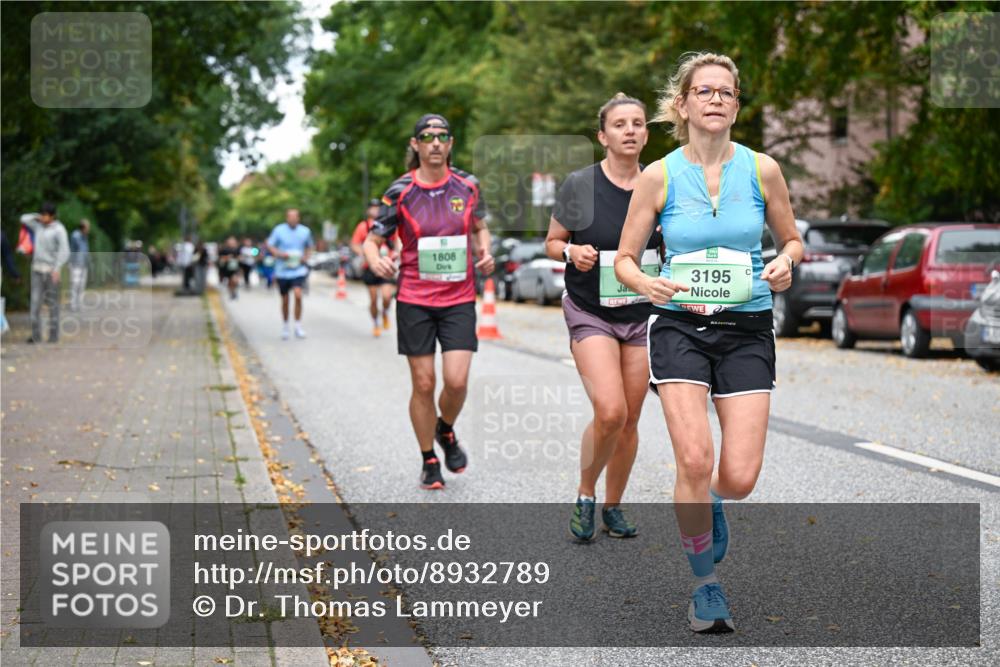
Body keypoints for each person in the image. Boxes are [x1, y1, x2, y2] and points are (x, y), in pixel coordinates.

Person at [615, 53, 802, 633]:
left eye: (726, 92)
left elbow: (792, 240)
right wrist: (646, 283)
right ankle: (705, 586)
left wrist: (786, 263)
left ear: (737, 106)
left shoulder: (763, 169)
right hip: (679, 325)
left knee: (738, 477)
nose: (716, 99)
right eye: (705, 91)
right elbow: (625, 260)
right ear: (683, 104)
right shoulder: (659, 176)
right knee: (694, 459)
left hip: (747, 326)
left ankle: (713, 498)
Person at [545, 93, 662, 541]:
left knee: (630, 418)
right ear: (603, 136)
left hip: (641, 315)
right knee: (610, 411)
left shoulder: (661, 184)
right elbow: (553, 242)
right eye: (619, 124)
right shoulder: (581, 185)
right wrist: (571, 252)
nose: (630, 130)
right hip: (591, 311)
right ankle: (586, 493)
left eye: (637, 123)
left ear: (646, 134)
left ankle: (613, 506)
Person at [364, 114, 494, 490]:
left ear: (450, 144)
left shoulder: (468, 185)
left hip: (459, 297)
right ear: (415, 144)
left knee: (456, 381)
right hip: (414, 298)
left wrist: (485, 252)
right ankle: (429, 460)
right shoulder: (400, 191)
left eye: (442, 136)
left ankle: (445, 429)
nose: (435, 142)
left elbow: (480, 227)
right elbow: (372, 240)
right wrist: (375, 260)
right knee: (423, 383)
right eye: (427, 136)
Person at [20, 202, 70, 343]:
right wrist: (37, 216)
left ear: (52, 216)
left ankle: (53, 335)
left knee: (53, 304)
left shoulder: (59, 229)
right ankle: (36, 336)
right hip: (36, 270)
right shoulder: (38, 226)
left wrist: (57, 268)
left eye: (45, 214)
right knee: (35, 303)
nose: (43, 217)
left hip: (51, 272)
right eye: (41, 214)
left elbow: (65, 251)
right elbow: (23, 219)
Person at [351, 199, 400, 337]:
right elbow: (355, 244)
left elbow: (397, 241)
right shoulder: (363, 226)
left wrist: (397, 253)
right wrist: (365, 254)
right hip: (370, 267)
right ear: (368, 210)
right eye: (372, 207)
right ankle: (376, 323)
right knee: (373, 299)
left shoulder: (389, 222)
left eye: (377, 207)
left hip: (386, 265)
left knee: (386, 296)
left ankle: (385, 312)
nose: (375, 210)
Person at [267, 209, 313, 339]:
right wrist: (279, 254)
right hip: (282, 270)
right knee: (285, 299)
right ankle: (286, 326)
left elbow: (310, 246)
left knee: (298, 295)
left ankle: (298, 326)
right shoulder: (278, 230)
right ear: (286, 218)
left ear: (298, 218)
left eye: (295, 217)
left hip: (298, 269)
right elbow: (270, 245)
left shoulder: (305, 231)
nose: (292, 219)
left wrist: (306, 256)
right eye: (290, 217)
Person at [68, 218, 90, 311]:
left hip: (83, 264)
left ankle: (80, 304)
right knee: (75, 284)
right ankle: (73, 304)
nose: (89, 229)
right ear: (83, 227)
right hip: (75, 264)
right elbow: (77, 249)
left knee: (82, 285)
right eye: (88, 227)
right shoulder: (76, 236)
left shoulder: (85, 236)